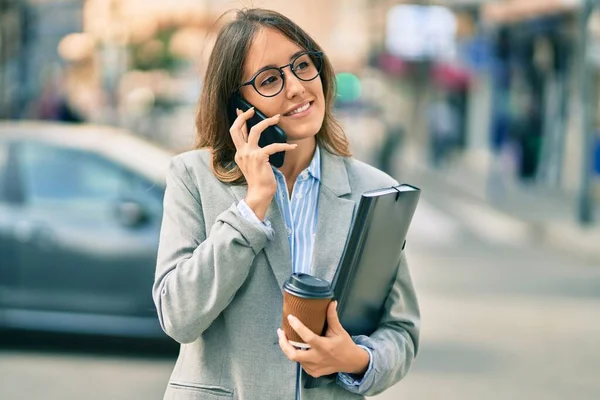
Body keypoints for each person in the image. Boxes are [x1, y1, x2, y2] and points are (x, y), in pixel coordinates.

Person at [153, 8, 419, 400]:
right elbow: (178, 316)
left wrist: (357, 358)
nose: (295, 87)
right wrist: (251, 208)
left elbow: (400, 332)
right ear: (238, 104)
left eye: (302, 65)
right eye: (270, 79)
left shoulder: (375, 190)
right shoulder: (194, 176)